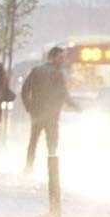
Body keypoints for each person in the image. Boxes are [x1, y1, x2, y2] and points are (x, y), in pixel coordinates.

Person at [21, 46, 79, 174]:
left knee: (34, 140)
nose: (63, 60)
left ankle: (29, 166)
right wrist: (76, 107)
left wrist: (28, 107)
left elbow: (25, 89)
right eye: (60, 57)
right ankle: (52, 170)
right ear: (52, 57)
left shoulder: (37, 70)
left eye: (64, 57)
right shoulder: (58, 73)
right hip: (52, 114)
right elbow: (63, 93)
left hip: (37, 112)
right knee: (52, 142)